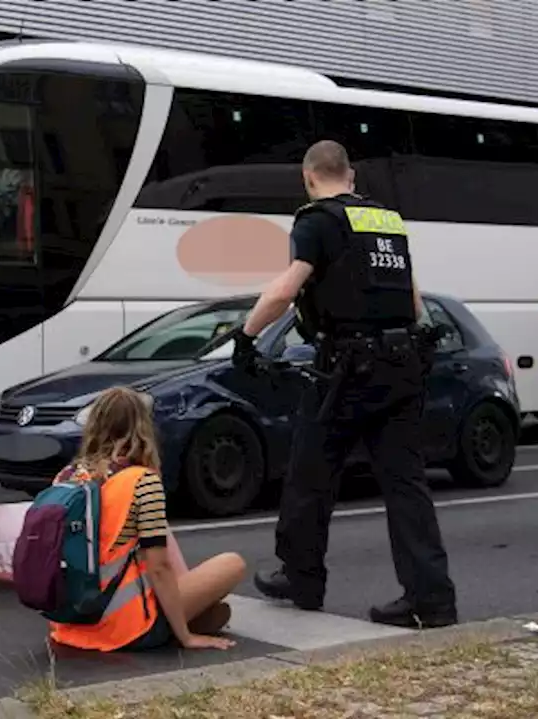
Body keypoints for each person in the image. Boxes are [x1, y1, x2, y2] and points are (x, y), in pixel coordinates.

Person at [234, 140, 457, 629]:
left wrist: (246, 337)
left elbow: (288, 288)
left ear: (309, 177)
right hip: (400, 365)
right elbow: (414, 301)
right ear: (351, 176)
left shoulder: (317, 220)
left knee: (310, 476)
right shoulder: (387, 221)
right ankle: (431, 598)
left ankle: (302, 577)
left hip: (346, 368)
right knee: (406, 485)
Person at [48, 387, 244, 653]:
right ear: (143, 427)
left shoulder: (66, 477)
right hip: (126, 626)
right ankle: (184, 623)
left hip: (71, 623)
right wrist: (186, 638)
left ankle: (194, 614)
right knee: (232, 563)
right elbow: (159, 567)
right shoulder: (141, 481)